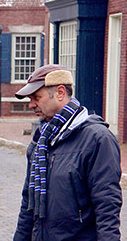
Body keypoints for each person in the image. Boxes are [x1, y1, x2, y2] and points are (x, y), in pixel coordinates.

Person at [13, 64, 122, 240]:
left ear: (60, 93)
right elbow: (28, 203)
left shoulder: (97, 139)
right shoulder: (41, 141)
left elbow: (107, 205)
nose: (31, 105)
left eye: (36, 97)